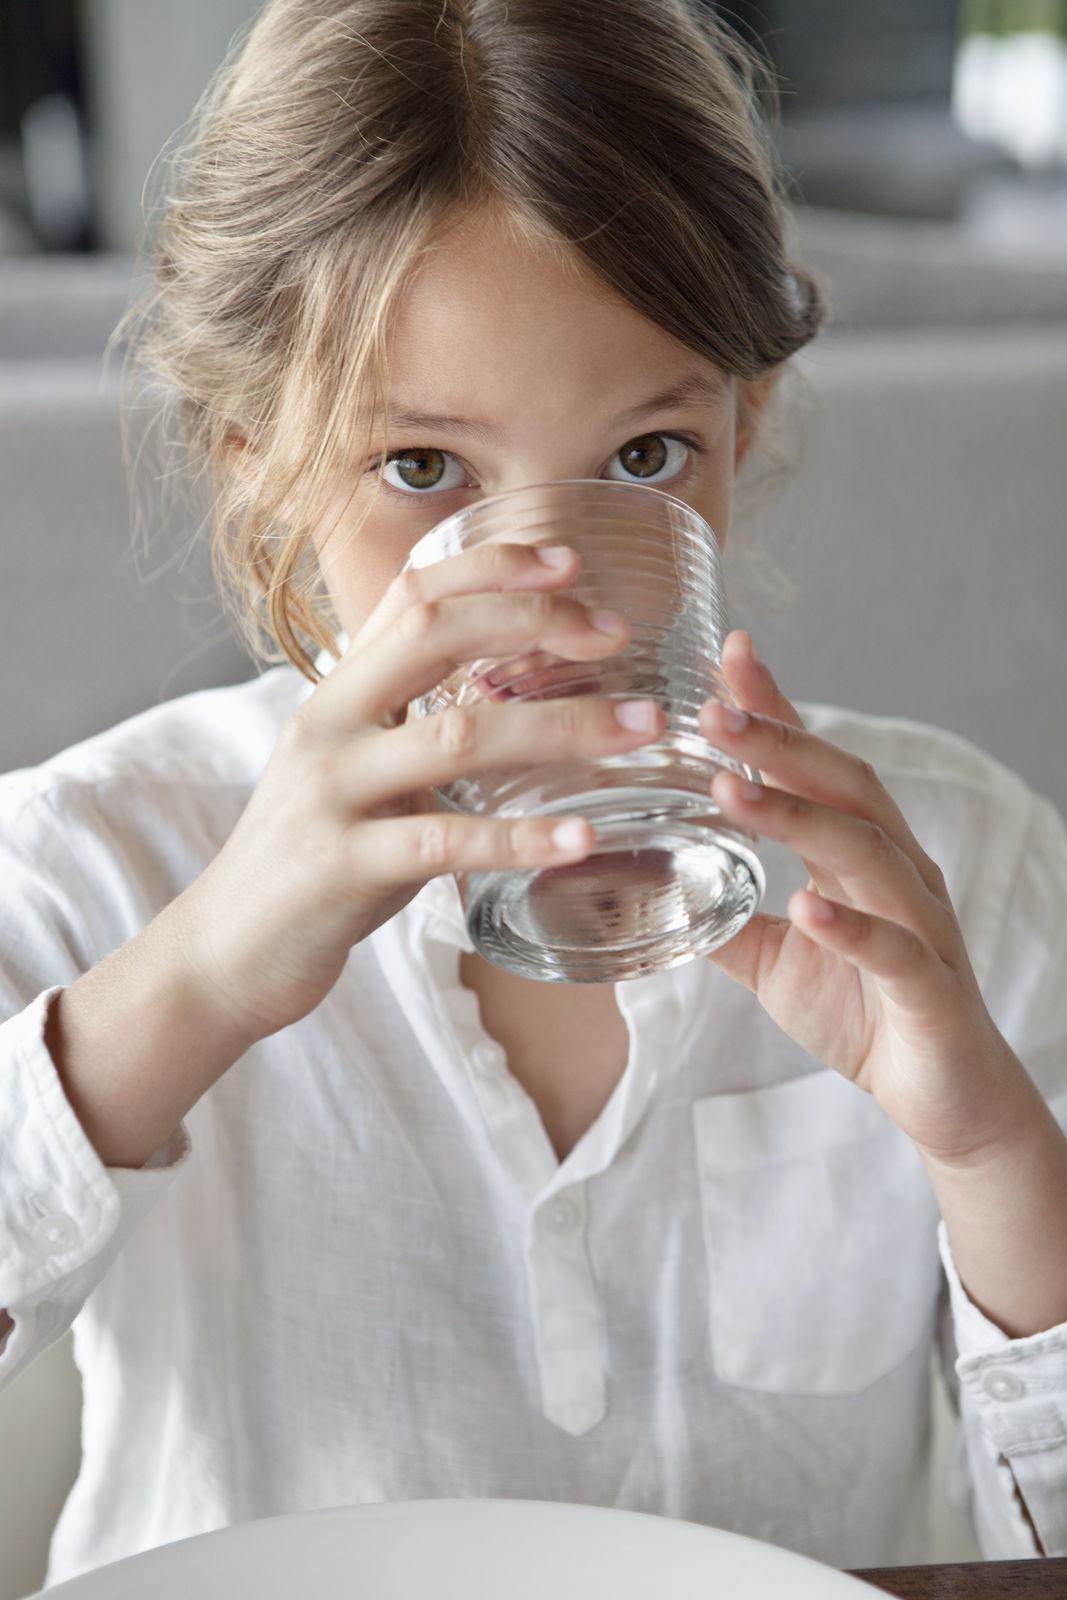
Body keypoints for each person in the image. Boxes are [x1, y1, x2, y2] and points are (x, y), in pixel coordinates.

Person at [2, 0, 1066, 1585]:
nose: (558, 592)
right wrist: (195, 983)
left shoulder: (953, 865)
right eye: (423, 471)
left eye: (643, 458)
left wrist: (992, 1159)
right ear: (253, 459)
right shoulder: (97, 857)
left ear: (738, 426)